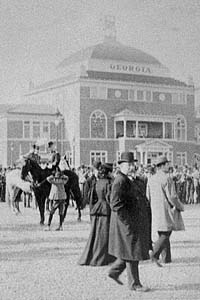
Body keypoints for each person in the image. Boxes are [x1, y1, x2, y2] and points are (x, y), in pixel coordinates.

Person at [108, 152, 150, 292]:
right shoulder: (120, 181)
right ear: (121, 165)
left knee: (130, 251)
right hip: (126, 224)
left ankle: (114, 271)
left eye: (133, 164)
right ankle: (134, 284)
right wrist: (127, 222)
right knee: (132, 252)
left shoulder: (128, 179)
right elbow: (115, 204)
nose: (132, 166)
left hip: (131, 222)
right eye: (129, 164)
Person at [146, 156, 185, 266]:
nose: (169, 166)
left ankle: (166, 258)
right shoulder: (167, 178)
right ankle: (154, 254)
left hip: (155, 209)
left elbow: (147, 196)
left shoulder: (151, 178)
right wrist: (180, 206)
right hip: (165, 209)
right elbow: (172, 197)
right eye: (167, 164)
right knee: (166, 232)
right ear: (162, 166)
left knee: (162, 231)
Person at [78, 163, 115, 266]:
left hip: (96, 208)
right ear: (109, 173)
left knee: (95, 234)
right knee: (104, 234)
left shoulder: (97, 183)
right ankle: (101, 258)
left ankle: (90, 256)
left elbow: (91, 196)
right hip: (105, 209)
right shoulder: (109, 183)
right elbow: (109, 198)